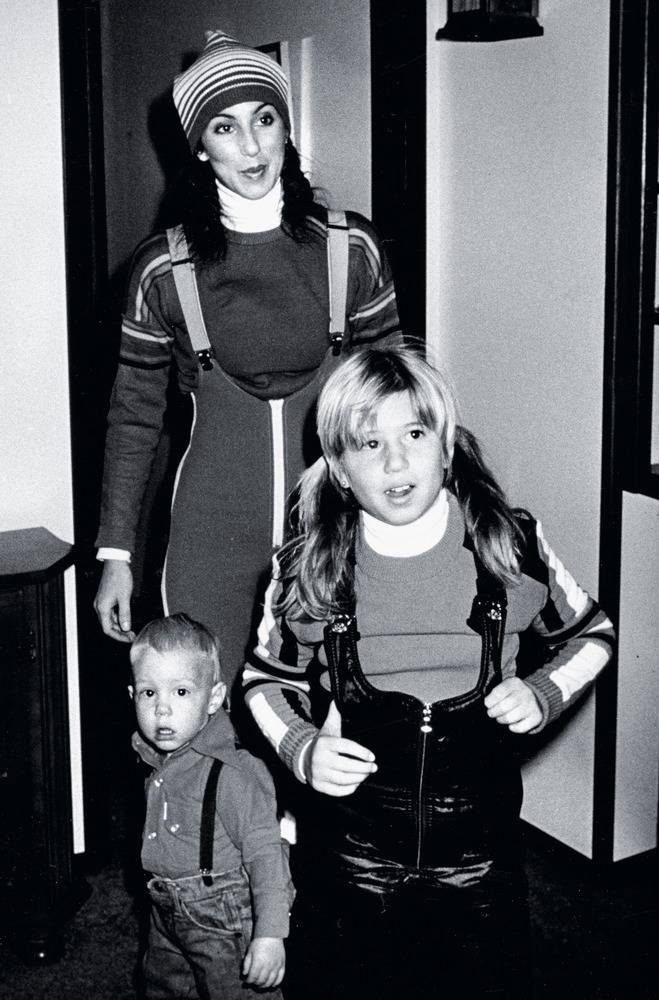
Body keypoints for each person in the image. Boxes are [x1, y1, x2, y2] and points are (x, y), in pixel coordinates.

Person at [242, 344, 615, 999]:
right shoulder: (305, 566)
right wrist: (301, 747)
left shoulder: (510, 544)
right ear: (338, 469)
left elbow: (594, 634)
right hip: (350, 855)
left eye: (413, 435)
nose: (395, 462)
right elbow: (263, 679)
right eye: (369, 443)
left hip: (479, 860)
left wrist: (543, 691)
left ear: (445, 447)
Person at [94, 30, 400, 702]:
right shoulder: (161, 269)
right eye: (225, 127)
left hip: (335, 532)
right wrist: (116, 555)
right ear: (200, 147)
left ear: (287, 127)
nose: (253, 147)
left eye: (265, 119)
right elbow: (133, 418)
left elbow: (401, 404)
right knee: (212, 720)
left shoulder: (352, 249)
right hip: (207, 541)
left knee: (336, 715)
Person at [129, 612, 293, 999]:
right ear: (132, 694)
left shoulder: (233, 772)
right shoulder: (155, 760)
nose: (162, 709)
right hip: (163, 908)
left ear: (214, 699)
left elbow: (266, 854)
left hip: (223, 915)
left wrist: (270, 934)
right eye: (149, 693)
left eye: (181, 692)